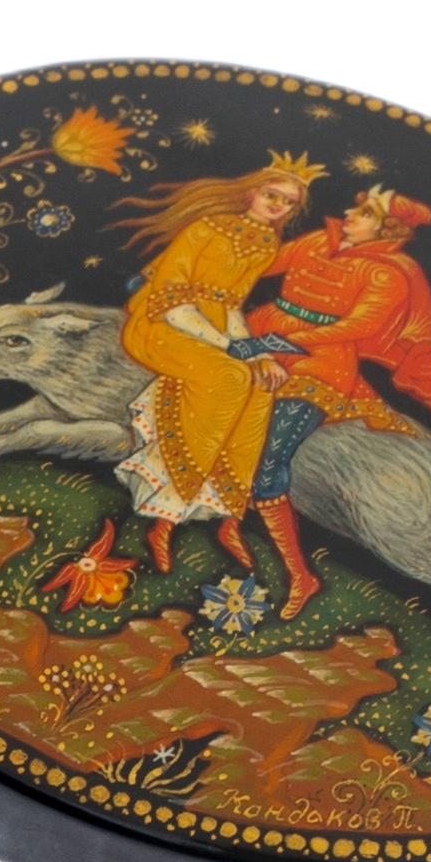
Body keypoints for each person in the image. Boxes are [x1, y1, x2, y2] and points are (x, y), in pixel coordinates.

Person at [235, 186, 431, 614]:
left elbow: (357, 327)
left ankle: (300, 576)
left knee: (268, 463)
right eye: (355, 206)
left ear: (387, 227)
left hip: (318, 365)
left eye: (363, 212)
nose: (349, 213)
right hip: (257, 333)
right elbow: (258, 265)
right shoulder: (320, 240)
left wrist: (281, 339)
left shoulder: (389, 274)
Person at [112, 154, 326, 582]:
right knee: (229, 377)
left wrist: (259, 355)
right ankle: (163, 519)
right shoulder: (205, 228)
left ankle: (228, 517)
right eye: (272, 195)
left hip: (211, 328)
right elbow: (170, 303)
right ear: (252, 192)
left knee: (261, 384)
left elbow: (230, 307)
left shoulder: (264, 243)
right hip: (161, 323)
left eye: (288, 203)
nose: (278, 206)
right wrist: (230, 347)